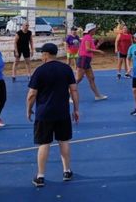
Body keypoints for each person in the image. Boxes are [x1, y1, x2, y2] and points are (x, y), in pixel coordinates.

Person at [27, 43, 79, 188]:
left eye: (42, 53)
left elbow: (32, 94)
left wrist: (28, 109)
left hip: (44, 113)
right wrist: (76, 109)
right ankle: (67, 171)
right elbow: (74, 90)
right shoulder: (66, 69)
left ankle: (40, 176)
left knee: (44, 143)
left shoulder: (40, 71)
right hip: (62, 112)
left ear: (46, 54)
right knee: (64, 141)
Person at [76, 23, 107, 101]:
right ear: (91, 30)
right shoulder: (87, 37)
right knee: (78, 78)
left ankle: (97, 95)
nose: (95, 30)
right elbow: (87, 49)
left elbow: (91, 49)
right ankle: (67, 94)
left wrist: (99, 44)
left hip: (86, 60)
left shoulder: (89, 37)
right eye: (94, 29)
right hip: (83, 59)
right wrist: (99, 51)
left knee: (91, 78)